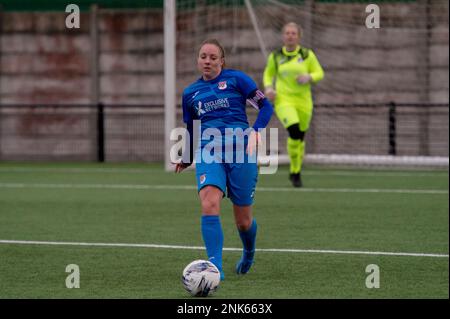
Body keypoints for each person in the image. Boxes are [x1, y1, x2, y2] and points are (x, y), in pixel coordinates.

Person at [175, 39, 273, 280]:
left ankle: (249, 252)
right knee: (209, 202)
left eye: (212, 57)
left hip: (242, 151)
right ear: (198, 60)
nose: (207, 61)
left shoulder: (237, 80)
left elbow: (266, 107)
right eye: (203, 56)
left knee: (243, 222)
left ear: (222, 61)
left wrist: (256, 130)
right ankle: (214, 266)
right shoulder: (190, 93)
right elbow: (192, 128)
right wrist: (186, 157)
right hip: (209, 152)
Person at [263, 22, 324, 187]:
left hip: (304, 102)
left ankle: (295, 170)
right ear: (283, 36)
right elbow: (268, 75)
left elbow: (319, 72)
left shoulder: (306, 55)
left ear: (299, 36)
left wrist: (309, 77)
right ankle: (295, 172)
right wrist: (269, 88)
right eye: (287, 33)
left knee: (300, 138)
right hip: (284, 100)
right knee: (294, 130)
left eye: (293, 33)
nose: (290, 36)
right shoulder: (275, 56)